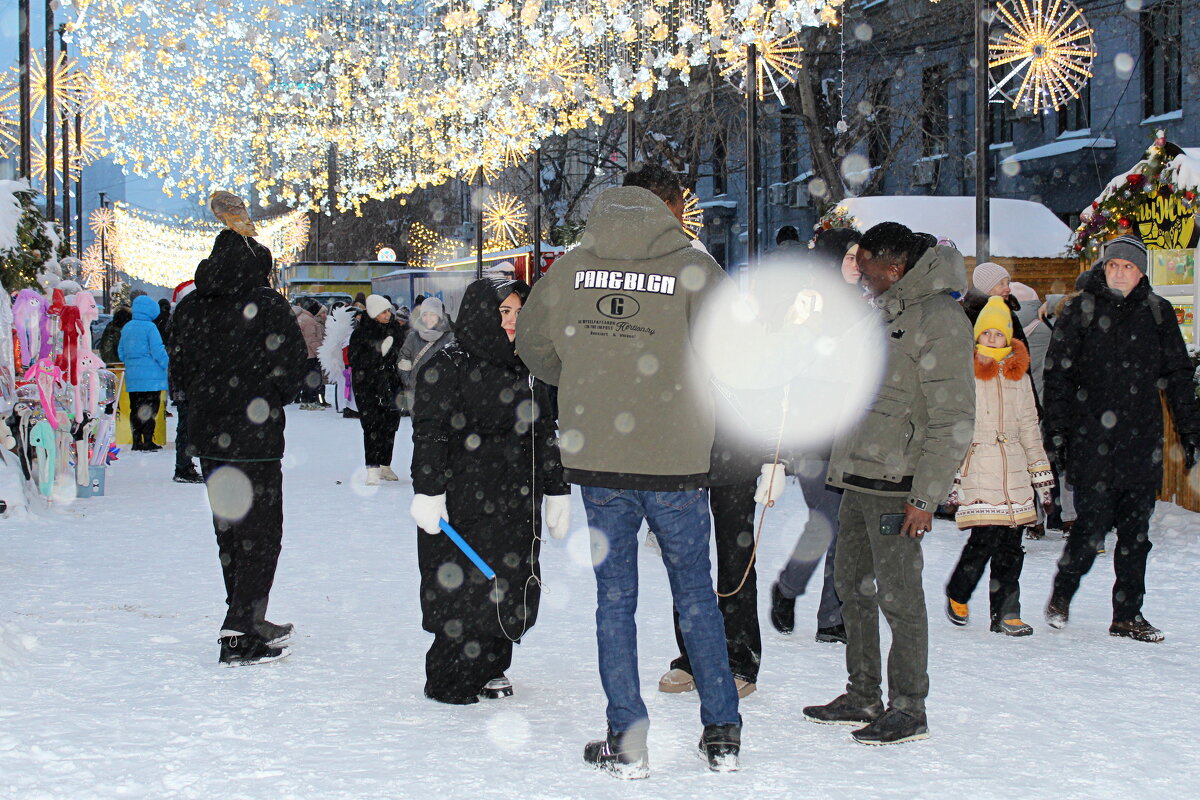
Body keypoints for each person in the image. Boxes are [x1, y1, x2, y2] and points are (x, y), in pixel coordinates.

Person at [517, 164, 742, 777]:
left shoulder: (572, 268)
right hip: (675, 458)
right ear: (668, 205)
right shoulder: (693, 268)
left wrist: (588, 375)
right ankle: (722, 732)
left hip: (601, 458)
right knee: (695, 594)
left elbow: (533, 346)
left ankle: (628, 739)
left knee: (614, 601)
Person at [803, 222, 974, 746]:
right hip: (858, 475)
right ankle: (863, 693)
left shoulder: (939, 319)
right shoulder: (884, 308)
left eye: (868, 268)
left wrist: (925, 497)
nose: (861, 275)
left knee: (899, 596)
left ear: (896, 268)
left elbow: (953, 418)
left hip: (899, 484)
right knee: (851, 588)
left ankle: (909, 706)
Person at [408, 277, 570, 705]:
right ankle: (450, 673)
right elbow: (431, 432)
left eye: (519, 312)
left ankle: (492, 663)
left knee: (510, 579)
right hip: (464, 498)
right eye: (504, 312)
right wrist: (428, 490)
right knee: (463, 584)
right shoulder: (449, 363)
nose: (513, 321)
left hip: (517, 497)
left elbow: (544, 431)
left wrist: (558, 488)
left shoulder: (529, 365)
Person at [169, 190, 307, 667]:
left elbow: (179, 372)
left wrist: (205, 403)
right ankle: (242, 626)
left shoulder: (190, 307)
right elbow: (293, 368)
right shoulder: (268, 305)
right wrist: (267, 397)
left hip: (211, 438)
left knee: (229, 530)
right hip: (257, 438)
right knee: (261, 533)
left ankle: (244, 613)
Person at [1043, 235, 1200, 642]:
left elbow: (1179, 375)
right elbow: (1058, 375)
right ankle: (1063, 592)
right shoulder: (1080, 310)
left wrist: (1190, 429)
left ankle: (1127, 615)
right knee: (1091, 527)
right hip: (1091, 437)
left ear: (1141, 273)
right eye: (1112, 265)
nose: (1118, 273)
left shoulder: (1158, 312)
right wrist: (1056, 430)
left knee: (1136, 534)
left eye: (1127, 267)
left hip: (1141, 439)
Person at [770, 227, 862, 643]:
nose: (858, 265)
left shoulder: (868, 305)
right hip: (813, 432)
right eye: (850, 257)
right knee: (830, 519)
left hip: (853, 432)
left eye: (861, 257)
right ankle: (793, 590)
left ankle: (830, 615)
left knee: (841, 524)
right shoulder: (807, 306)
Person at [944, 296, 1053, 637]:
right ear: (977, 335)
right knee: (983, 542)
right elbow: (955, 426)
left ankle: (1006, 612)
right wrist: (952, 474)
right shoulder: (965, 373)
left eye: (998, 333)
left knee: (1011, 547)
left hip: (1015, 471)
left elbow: (1030, 426)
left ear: (1008, 336)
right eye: (986, 333)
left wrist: (1041, 474)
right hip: (979, 467)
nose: (992, 339)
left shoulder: (1019, 375)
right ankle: (959, 591)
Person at [348, 294, 405, 485]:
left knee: (390, 425)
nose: (387, 315)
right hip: (367, 386)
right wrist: (379, 351)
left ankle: (385, 464)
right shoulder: (361, 333)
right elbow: (355, 360)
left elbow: (401, 354)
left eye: (388, 311)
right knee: (371, 426)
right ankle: (372, 467)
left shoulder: (395, 330)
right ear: (373, 313)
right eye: (383, 312)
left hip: (391, 383)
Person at [118, 294, 170, 451]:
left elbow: (121, 352)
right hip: (151, 378)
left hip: (133, 377)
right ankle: (147, 440)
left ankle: (136, 440)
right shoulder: (150, 327)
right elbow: (157, 350)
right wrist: (167, 363)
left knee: (135, 408)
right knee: (150, 409)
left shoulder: (127, 327)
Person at [168, 277, 202, 483]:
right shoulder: (187, 320)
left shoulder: (178, 319)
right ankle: (183, 466)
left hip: (183, 379)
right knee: (187, 425)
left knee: (187, 424)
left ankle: (184, 464)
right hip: (187, 381)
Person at [398, 296, 454, 414]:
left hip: (443, 394)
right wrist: (409, 380)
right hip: (417, 393)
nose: (428, 318)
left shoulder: (450, 337)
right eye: (425, 314)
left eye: (432, 314)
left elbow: (456, 364)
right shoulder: (413, 336)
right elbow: (403, 358)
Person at [961, 262, 1028, 347]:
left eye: (1008, 283)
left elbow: (1021, 350)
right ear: (985, 288)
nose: (1008, 289)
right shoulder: (969, 317)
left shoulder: (1006, 311)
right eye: (1001, 284)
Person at [293, 299, 325, 410]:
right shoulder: (309, 321)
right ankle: (311, 401)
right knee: (314, 378)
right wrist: (320, 352)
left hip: (301, 354)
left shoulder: (299, 317)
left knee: (306, 379)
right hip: (311, 354)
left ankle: (305, 400)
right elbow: (312, 340)